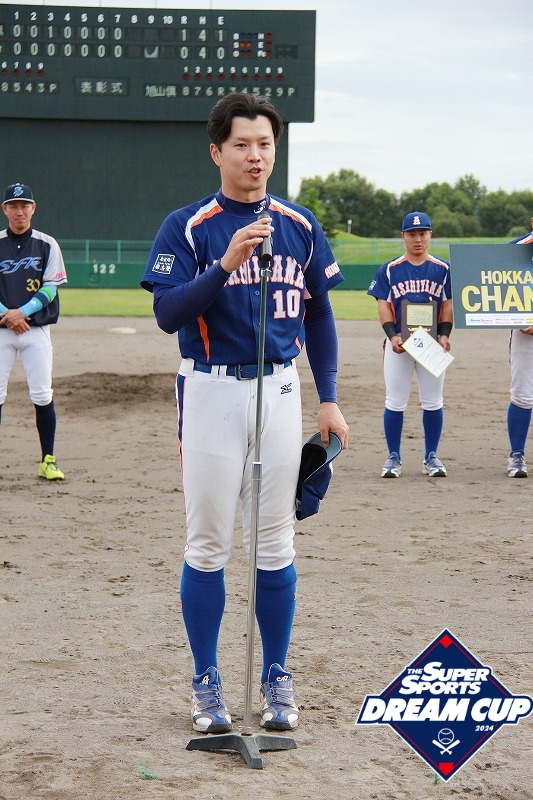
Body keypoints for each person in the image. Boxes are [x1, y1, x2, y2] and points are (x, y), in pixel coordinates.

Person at [141, 92, 349, 734]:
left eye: (265, 144)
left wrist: (329, 398)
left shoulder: (299, 224)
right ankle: (206, 681)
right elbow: (167, 313)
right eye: (241, 145)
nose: (255, 156)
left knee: (276, 542)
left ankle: (276, 674)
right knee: (208, 544)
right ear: (217, 152)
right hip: (210, 391)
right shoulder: (189, 226)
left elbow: (319, 315)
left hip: (280, 391)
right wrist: (226, 263)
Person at [367, 211, 453, 478]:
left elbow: (448, 305)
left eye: (422, 233)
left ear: (430, 235)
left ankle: (431, 457)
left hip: (431, 345)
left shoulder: (443, 269)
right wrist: (392, 335)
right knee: (395, 401)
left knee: (433, 402)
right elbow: (383, 305)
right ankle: (393, 457)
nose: (418, 239)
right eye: (412, 234)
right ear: (403, 236)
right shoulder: (390, 269)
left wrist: (444, 335)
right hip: (400, 345)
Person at [0, 183, 68, 480]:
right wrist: (8, 315)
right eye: (14, 206)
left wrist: (21, 312)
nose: (20, 211)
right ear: (5, 210)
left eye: (24, 205)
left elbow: (51, 287)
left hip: (35, 329)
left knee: (42, 394)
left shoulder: (47, 244)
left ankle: (48, 460)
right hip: (2, 330)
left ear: (33, 208)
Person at [506, 215, 533, 478]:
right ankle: (517, 455)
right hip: (525, 332)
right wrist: (518, 316)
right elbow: (497, 288)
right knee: (522, 395)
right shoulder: (515, 250)